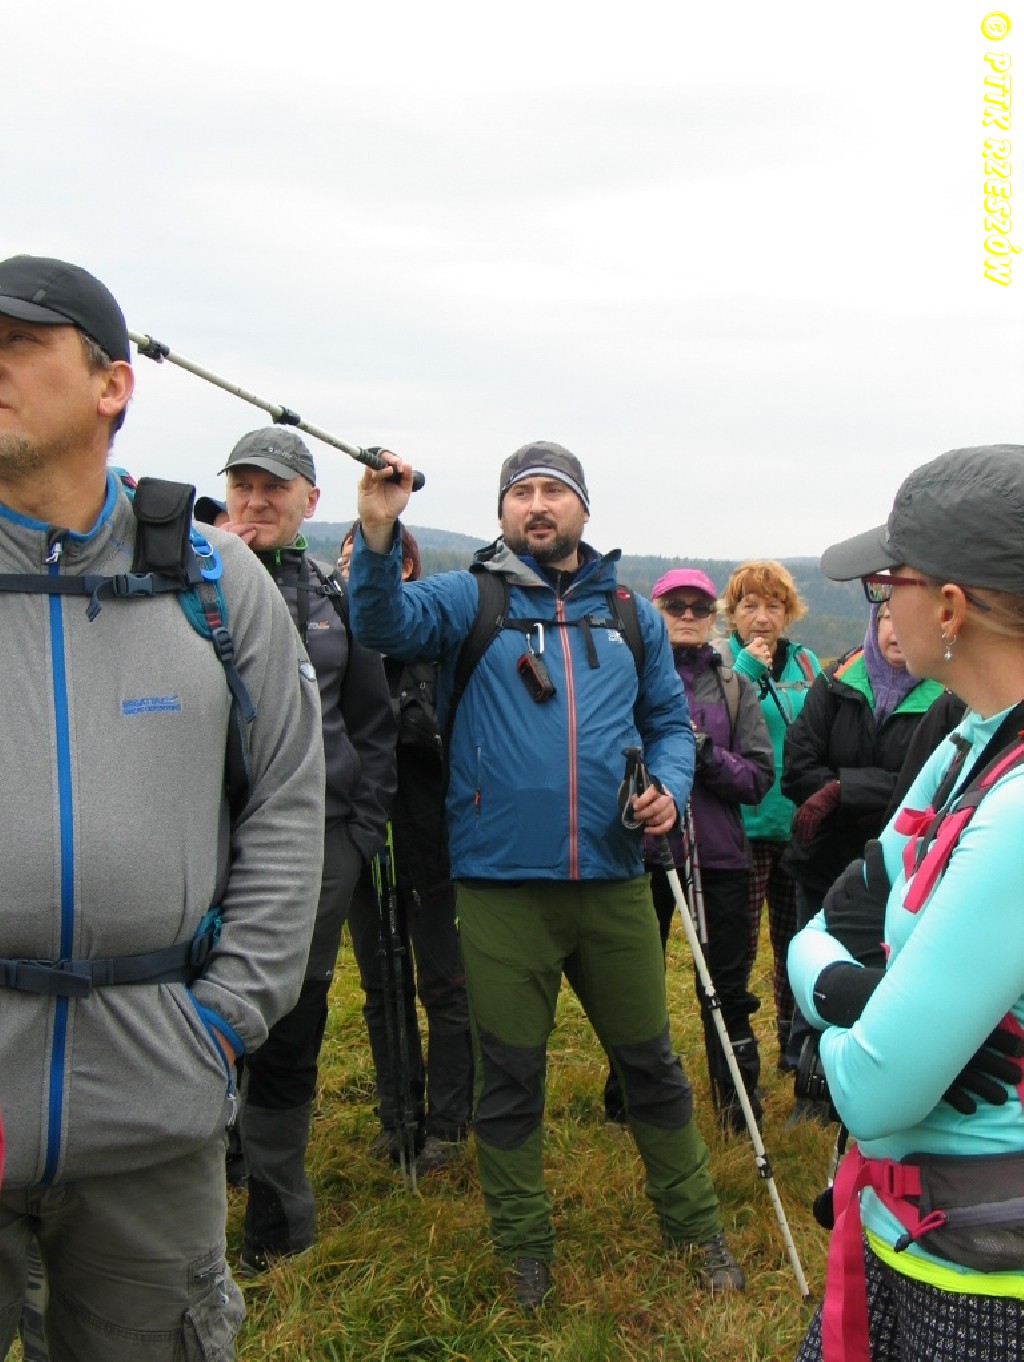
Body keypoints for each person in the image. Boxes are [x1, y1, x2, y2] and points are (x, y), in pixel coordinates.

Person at [0, 255, 324, 1359]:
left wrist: (226, 1017)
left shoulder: (211, 579)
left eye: (19, 343)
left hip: (154, 1091)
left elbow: (288, 792)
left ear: (112, 385)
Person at [347, 439, 744, 1310]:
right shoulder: (469, 599)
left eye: (553, 491)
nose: (537, 504)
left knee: (651, 1065)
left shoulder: (629, 615)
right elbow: (379, 624)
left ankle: (696, 1231)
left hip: (613, 879)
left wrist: (669, 788)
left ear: (583, 510)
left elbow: (668, 723)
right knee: (511, 1074)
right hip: (500, 885)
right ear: (500, 513)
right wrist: (377, 533)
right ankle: (524, 1251)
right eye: (520, 491)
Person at [789, 443, 1024, 1362]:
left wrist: (833, 1046)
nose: (882, 606)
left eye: (890, 584)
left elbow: (876, 1094)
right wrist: (861, 1000)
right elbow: (827, 924)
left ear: (951, 607)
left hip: (983, 1279)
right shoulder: (968, 743)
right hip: (902, 1235)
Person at [218, 428, 396, 1271]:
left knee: (294, 1015)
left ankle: (278, 1218)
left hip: (321, 844)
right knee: (200, 1009)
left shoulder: (334, 597)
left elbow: (373, 723)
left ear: (309, 501)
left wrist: (360, 833)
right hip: (204, 839)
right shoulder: (186, 583)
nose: (256, 501)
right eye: (243, 486)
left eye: (275, 488)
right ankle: (202, 1176)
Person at [602, 568, 774, 1134]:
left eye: (699, 608)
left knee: (726, 989)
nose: (687, 616)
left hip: (717, 857)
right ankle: (627, 1103)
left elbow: (757, 778)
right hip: (639, 854)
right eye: (674, 605)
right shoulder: (623, 680)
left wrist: (705, 756)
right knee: (632, 985)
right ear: (653, 612)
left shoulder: (735, 687)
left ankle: (737, 1108)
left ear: (713, 617)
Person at [338, 522, 473, 1173]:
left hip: (432, 840)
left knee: (445, 983)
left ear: (408, 571)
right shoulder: (336, 652)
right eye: (348, 562)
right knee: (382, 985)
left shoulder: (434, 650)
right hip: (365, 841)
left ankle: (449, 1122)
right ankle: (397, 1118)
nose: (354, 572)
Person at [780, 602, 945, 1120]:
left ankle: (866, 1083)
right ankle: (809, 1079)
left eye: (903, 616)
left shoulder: (947, 697)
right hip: (823, 859)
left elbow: (928, 786)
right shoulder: (835, 683)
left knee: (882, 973)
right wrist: (861, 792)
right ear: (874, 625)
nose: (895, 630)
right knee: (817, 963)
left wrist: (840, 789)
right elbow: (797, 768)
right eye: (885, 618)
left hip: (901, 869)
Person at [722, 561, 820, 1070]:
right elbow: (715, 720)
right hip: (741, 824)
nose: (762, 617)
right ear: (733, 613)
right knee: (737, 944)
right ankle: (737, 1051)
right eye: (750, 606)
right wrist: (744, 673)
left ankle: (794, 1045)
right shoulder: (722, 661)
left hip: (796, 822)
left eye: (773, 606)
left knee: (795, 943)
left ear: (788, 613)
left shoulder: (806, 663)